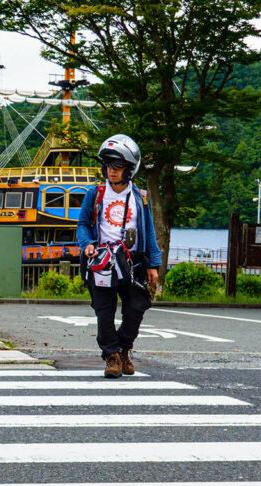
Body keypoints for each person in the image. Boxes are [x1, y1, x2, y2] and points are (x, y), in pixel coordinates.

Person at [76, 134, 162, 378]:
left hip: (133, 260)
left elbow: (150, 230)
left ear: (130, 169)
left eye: (117, 166)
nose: (111, 171)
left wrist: (153, 263)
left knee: (137, 307)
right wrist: (87, 244)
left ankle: (124, 348)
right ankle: (112, 356)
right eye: (108, 165)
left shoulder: (140, 196)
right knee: (104, 310)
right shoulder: (96, 193)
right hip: (102, 259)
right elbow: (82, 224)